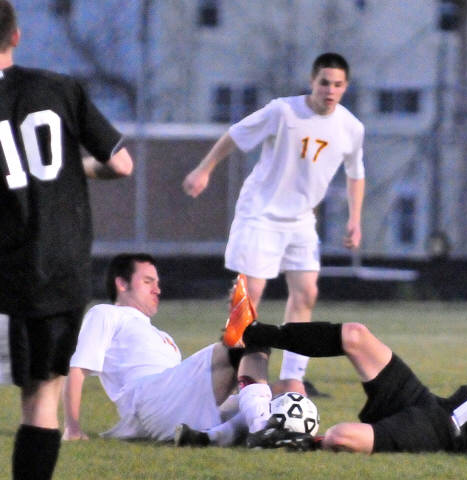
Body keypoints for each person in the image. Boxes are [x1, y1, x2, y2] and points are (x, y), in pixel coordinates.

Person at [0, 2, 134, 478]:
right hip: (53, 267)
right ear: (16, 36)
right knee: (41, 400)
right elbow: (121, 164)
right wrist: (73, 171)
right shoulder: (58, 87)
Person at [182, 52, 365, 396]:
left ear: (345, 87)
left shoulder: (351, 127)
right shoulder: (283, 111)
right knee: (249, 296)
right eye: (324, 83)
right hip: (261, 214)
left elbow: (356, 174)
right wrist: (204, 169)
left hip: (301, 219)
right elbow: (235, 135)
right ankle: (231, 373)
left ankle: (293, 379)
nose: (330, 90)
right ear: (312, 82)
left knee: (307, 293)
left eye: (338, 85)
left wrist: (355, 219)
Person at [224, 304, 467, 453]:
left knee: (341, 436)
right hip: (428, 404)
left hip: (439, 433)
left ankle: (279, 439)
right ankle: (253, 332)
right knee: (356, 335)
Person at [63, 254, 273, 448]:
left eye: (157, 283)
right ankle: (261, 429)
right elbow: (78, 368)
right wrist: (72, 427)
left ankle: (210, 436)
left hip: (174, 402)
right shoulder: (106, 314)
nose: (157, 290)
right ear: (122, 284)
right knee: (249, 342)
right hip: (148, 400)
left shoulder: (164, 338)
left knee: (270, 401)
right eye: (148, 282)